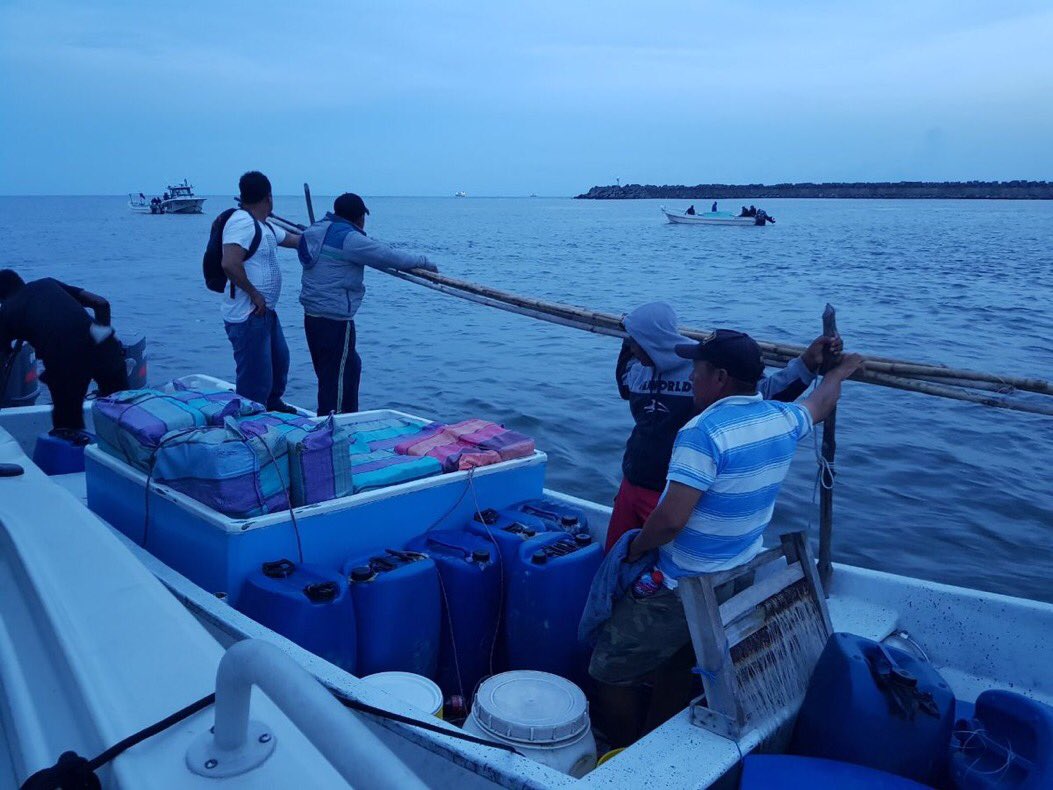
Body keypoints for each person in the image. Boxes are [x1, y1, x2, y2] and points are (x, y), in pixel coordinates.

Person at [589, 329, 862, 744]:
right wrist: (839, 371)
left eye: (697, 370)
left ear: (719, 377)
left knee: (607, 668)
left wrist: (634, 549)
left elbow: (670, 522)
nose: (692, 379)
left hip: (683, 586)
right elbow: (821, 402)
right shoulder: (780, 418)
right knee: (679, 663)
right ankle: (656, 738)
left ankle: (622, 745)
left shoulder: (702, 433)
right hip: (735, 577)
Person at [606, 302, 841, 552]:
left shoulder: (701, 370)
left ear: (651, 339)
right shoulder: (637, 370)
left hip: (673, 494)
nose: (630, 347)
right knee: (613, 556)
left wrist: (806, 363)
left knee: (654, 565)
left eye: (634, 340)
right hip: (632, 481)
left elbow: (764, 395)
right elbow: (623, 380)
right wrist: (629, 328)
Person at [298, 192, 437, 414]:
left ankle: (342, 420)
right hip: (335, 319)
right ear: (359, 217)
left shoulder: (315, 230)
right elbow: (388, 256)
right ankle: (332, 430)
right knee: (337, 383)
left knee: (343, 370)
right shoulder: (349, 239)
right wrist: (424, 262)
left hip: (312, 315)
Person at [0, 270, 128, 433]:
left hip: (66, 361)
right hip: (105, 344)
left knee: (68, 430)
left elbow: (1, 360)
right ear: (21, 282)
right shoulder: (48, 283)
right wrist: (100, 336)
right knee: (124, 413)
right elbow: (101, 303)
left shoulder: (6, 312)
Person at [220, 171, 301, 412]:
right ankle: (247, 423)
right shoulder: (241, 222)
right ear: (269, 198)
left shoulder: (262, 225)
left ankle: (273, 404)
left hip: (266, 313)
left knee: (279, 361)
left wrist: (320, 236)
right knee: (256, 376)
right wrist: (254, 294)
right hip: (248, 314)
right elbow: (229, 263)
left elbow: (294, 240)